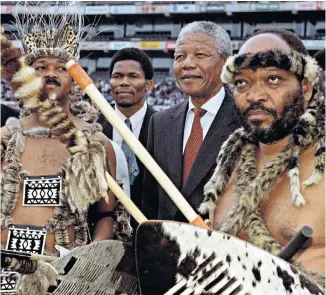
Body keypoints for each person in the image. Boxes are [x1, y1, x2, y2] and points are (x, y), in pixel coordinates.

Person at [200, 29, 325, 279]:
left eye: (273, 79)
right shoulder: (227, 166)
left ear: (306, 88)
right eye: (242, 83)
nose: (254, 96)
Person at [0, 8, 120, 261]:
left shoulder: (95, 143)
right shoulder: (5, 138)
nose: (50, 73)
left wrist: (86, 260)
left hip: (64, 272)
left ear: (75, 81)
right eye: (40, 67)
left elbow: (108, 215)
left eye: (61, 68)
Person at [141, 21, 240, 221]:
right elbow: (149, 199)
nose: (187, 64)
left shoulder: (246, 122)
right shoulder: (159, 122)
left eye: (200, 55)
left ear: (226, 63)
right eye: (180, 57)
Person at [98, 48, 156, 216]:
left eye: (133, 76)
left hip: (148, 226)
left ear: (148, 84)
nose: (124, 82)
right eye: (117, 76)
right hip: (101, 224)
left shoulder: (165, 127)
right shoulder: (93, 127)